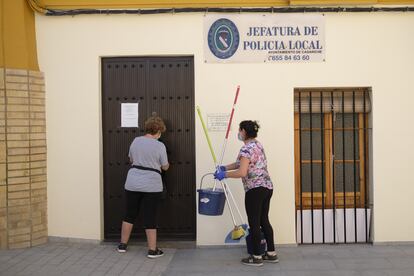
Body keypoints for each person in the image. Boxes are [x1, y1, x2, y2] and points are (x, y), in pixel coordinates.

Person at [214, 120, 278, 267]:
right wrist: (224, 168)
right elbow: (239, 164)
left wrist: (225, 175)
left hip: (254, 190)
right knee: (264, 220)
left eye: (239, 130)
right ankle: (271, 254)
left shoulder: (246, 149)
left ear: (243, 131)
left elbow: (242, 172)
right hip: (267, 187)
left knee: (254, 222)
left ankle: (256, 256)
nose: (238, 133)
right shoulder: (257, 145)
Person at [117, 116, 169, 259]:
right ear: (158, 131)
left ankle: (122, 245)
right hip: (152, 185)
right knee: (150, 216)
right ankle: (152, 250)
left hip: (132, 182)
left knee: (129, 214)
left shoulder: (136, 141)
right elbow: (165, 166)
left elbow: (131, 159)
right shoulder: (160, 146)